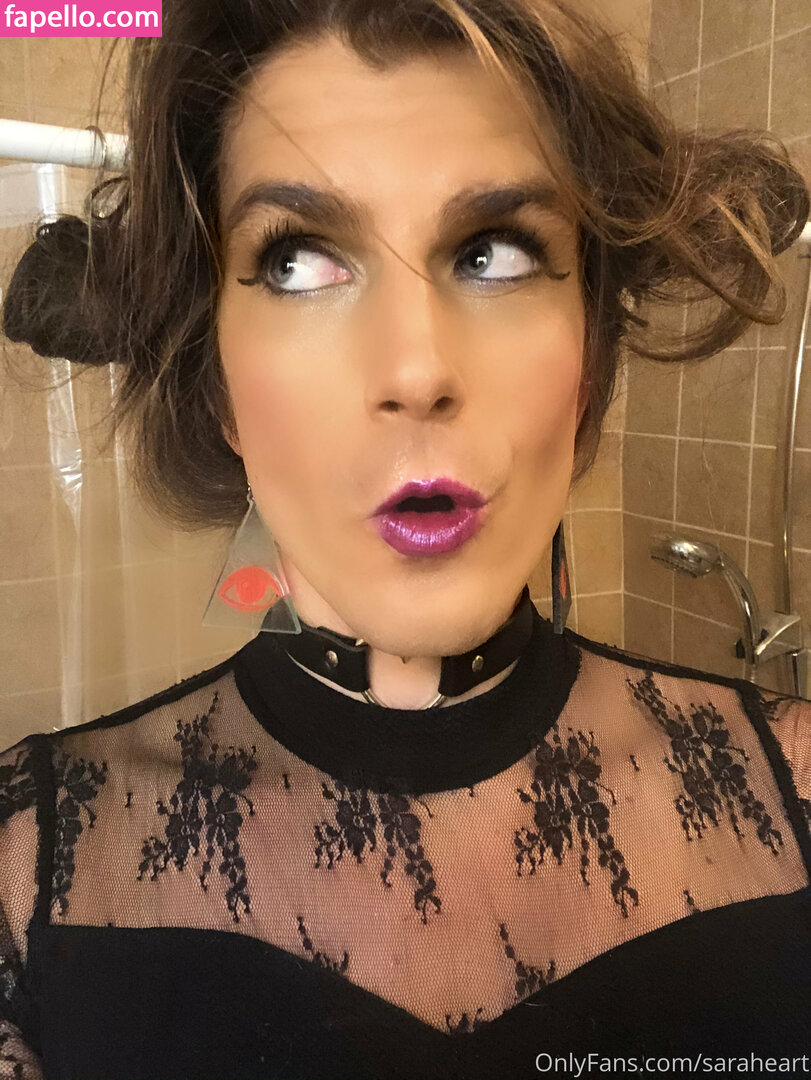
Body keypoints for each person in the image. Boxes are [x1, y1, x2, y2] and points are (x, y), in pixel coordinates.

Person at [1, 1, 810, 1077]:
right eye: (296, 261)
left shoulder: (796, 785)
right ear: (220, 387)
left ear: (589, 357)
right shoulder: (26, 869)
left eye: (494, 251)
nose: (417, 369)